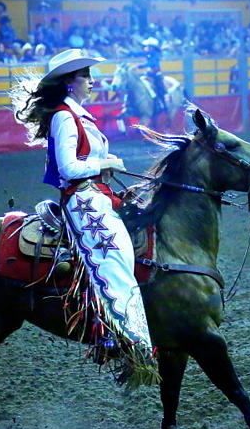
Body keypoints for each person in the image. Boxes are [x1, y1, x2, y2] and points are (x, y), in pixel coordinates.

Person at [14, 48, 158, 387]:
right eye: (86, 76)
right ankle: (122, 338)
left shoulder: (78, 115)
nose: (92, 81)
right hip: (82, 200)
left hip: (97, 195)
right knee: (114, 255)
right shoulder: (66, 116)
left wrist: (106, 165)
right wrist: (104, 164)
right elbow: (69, 169)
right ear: (69, 82)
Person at [138, 36, 167, 114]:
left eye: (148, 46)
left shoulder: (156, 54)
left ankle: (162, 104)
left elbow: (151, 63)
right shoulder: (150, 54)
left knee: (159, 88)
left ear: (152, 47)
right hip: (149, 74)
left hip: (156, 74)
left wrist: (141, 66)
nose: (146, 47)